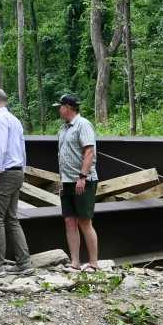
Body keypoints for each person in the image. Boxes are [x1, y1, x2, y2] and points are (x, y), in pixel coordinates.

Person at [0, 87, 31, 275]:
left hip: (4, 174)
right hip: (17, 172)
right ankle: (24, 263)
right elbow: (22, 148)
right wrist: (22, 171)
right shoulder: (14, 120)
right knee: (11, 219)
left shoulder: (0, 120)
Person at [55, 92, 99, 271]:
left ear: (68, 108)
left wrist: (82, 176)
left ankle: (94, 263)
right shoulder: (64, 129)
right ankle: (75, 262)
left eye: (60, 106)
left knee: (85, 221)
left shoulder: (83, 125)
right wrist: (61, 180)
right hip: (67, 181)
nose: (59, 110)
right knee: (69, 221)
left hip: (83, 180)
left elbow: (89, 152)